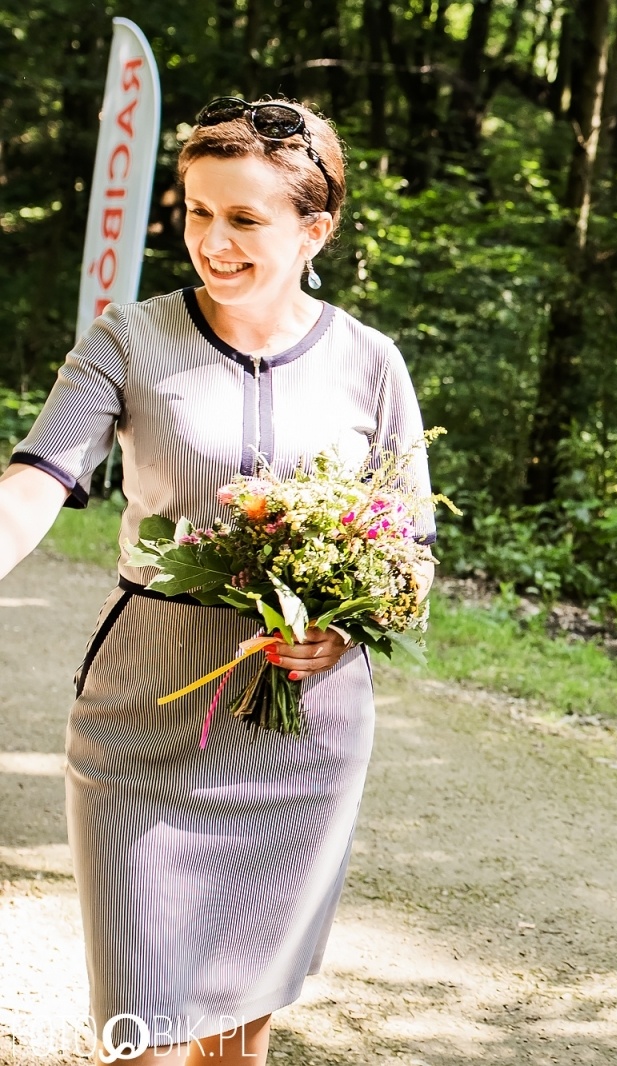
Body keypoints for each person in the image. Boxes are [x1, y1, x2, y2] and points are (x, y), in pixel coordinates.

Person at [0, 98, 432, 1064]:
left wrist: (344, 627)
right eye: (199, 212)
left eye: (244, 218)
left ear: (314, 230)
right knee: (140, 1030)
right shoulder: (126, 339)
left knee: (236, 1040)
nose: (213, 241)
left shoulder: (372, 364)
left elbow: (413, 553)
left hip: (300, 738)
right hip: (143, 719)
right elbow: (35, 482)